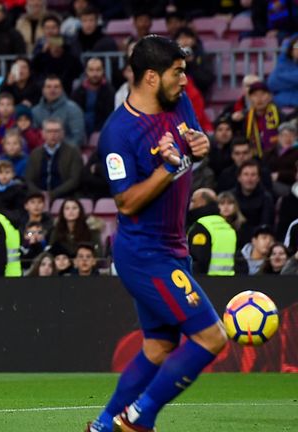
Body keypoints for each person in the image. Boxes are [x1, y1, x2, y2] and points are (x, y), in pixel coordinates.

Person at [88, 36, 228, 432]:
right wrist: (165, 170)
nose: (185, 81)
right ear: (151, 77)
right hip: (145, 255)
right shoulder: (118, 134)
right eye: (178, 73)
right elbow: (128, 203)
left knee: (158, 346)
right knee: (212, 338)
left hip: (172, 248)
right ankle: (139, 417)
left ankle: (103, 426)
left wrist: (202, 145)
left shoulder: (178, 103)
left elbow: (194, 143)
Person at [186, 188, 242, 276]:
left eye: (193, 200)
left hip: (207, 283)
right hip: (229, 282)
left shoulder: (201, 227)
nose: (190, 204)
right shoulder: (227, 226)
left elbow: (199, 261)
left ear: (201, 202)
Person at [25, 118, 83, 200]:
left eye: (56, 131)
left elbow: (74, 180)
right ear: (43, 134)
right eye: (49, 131)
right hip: (38, 198)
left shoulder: (73, 152)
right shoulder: (35, 153)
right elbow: (29, 179)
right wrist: (39, 194)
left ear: (62, 133)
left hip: (66, 197)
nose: (53, 135)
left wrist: (52, 194)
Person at [267, 35, 298, 109]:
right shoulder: (282, 64)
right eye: (296, 47)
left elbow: (277, 79)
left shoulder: (281, 69)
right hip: (281, 104)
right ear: (291, 49)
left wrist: (283, 77)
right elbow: (272, 83)